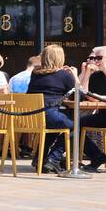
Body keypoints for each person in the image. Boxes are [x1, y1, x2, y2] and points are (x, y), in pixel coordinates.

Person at [26, 44, 78, 173]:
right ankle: (53, 159)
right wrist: (74, 75)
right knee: (76, 126)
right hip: (49, 114)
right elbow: (79, 94)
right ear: (59, 58)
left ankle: (39, 159)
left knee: (56, 127)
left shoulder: (35, 73)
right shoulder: (64, 75)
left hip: (33, 116)